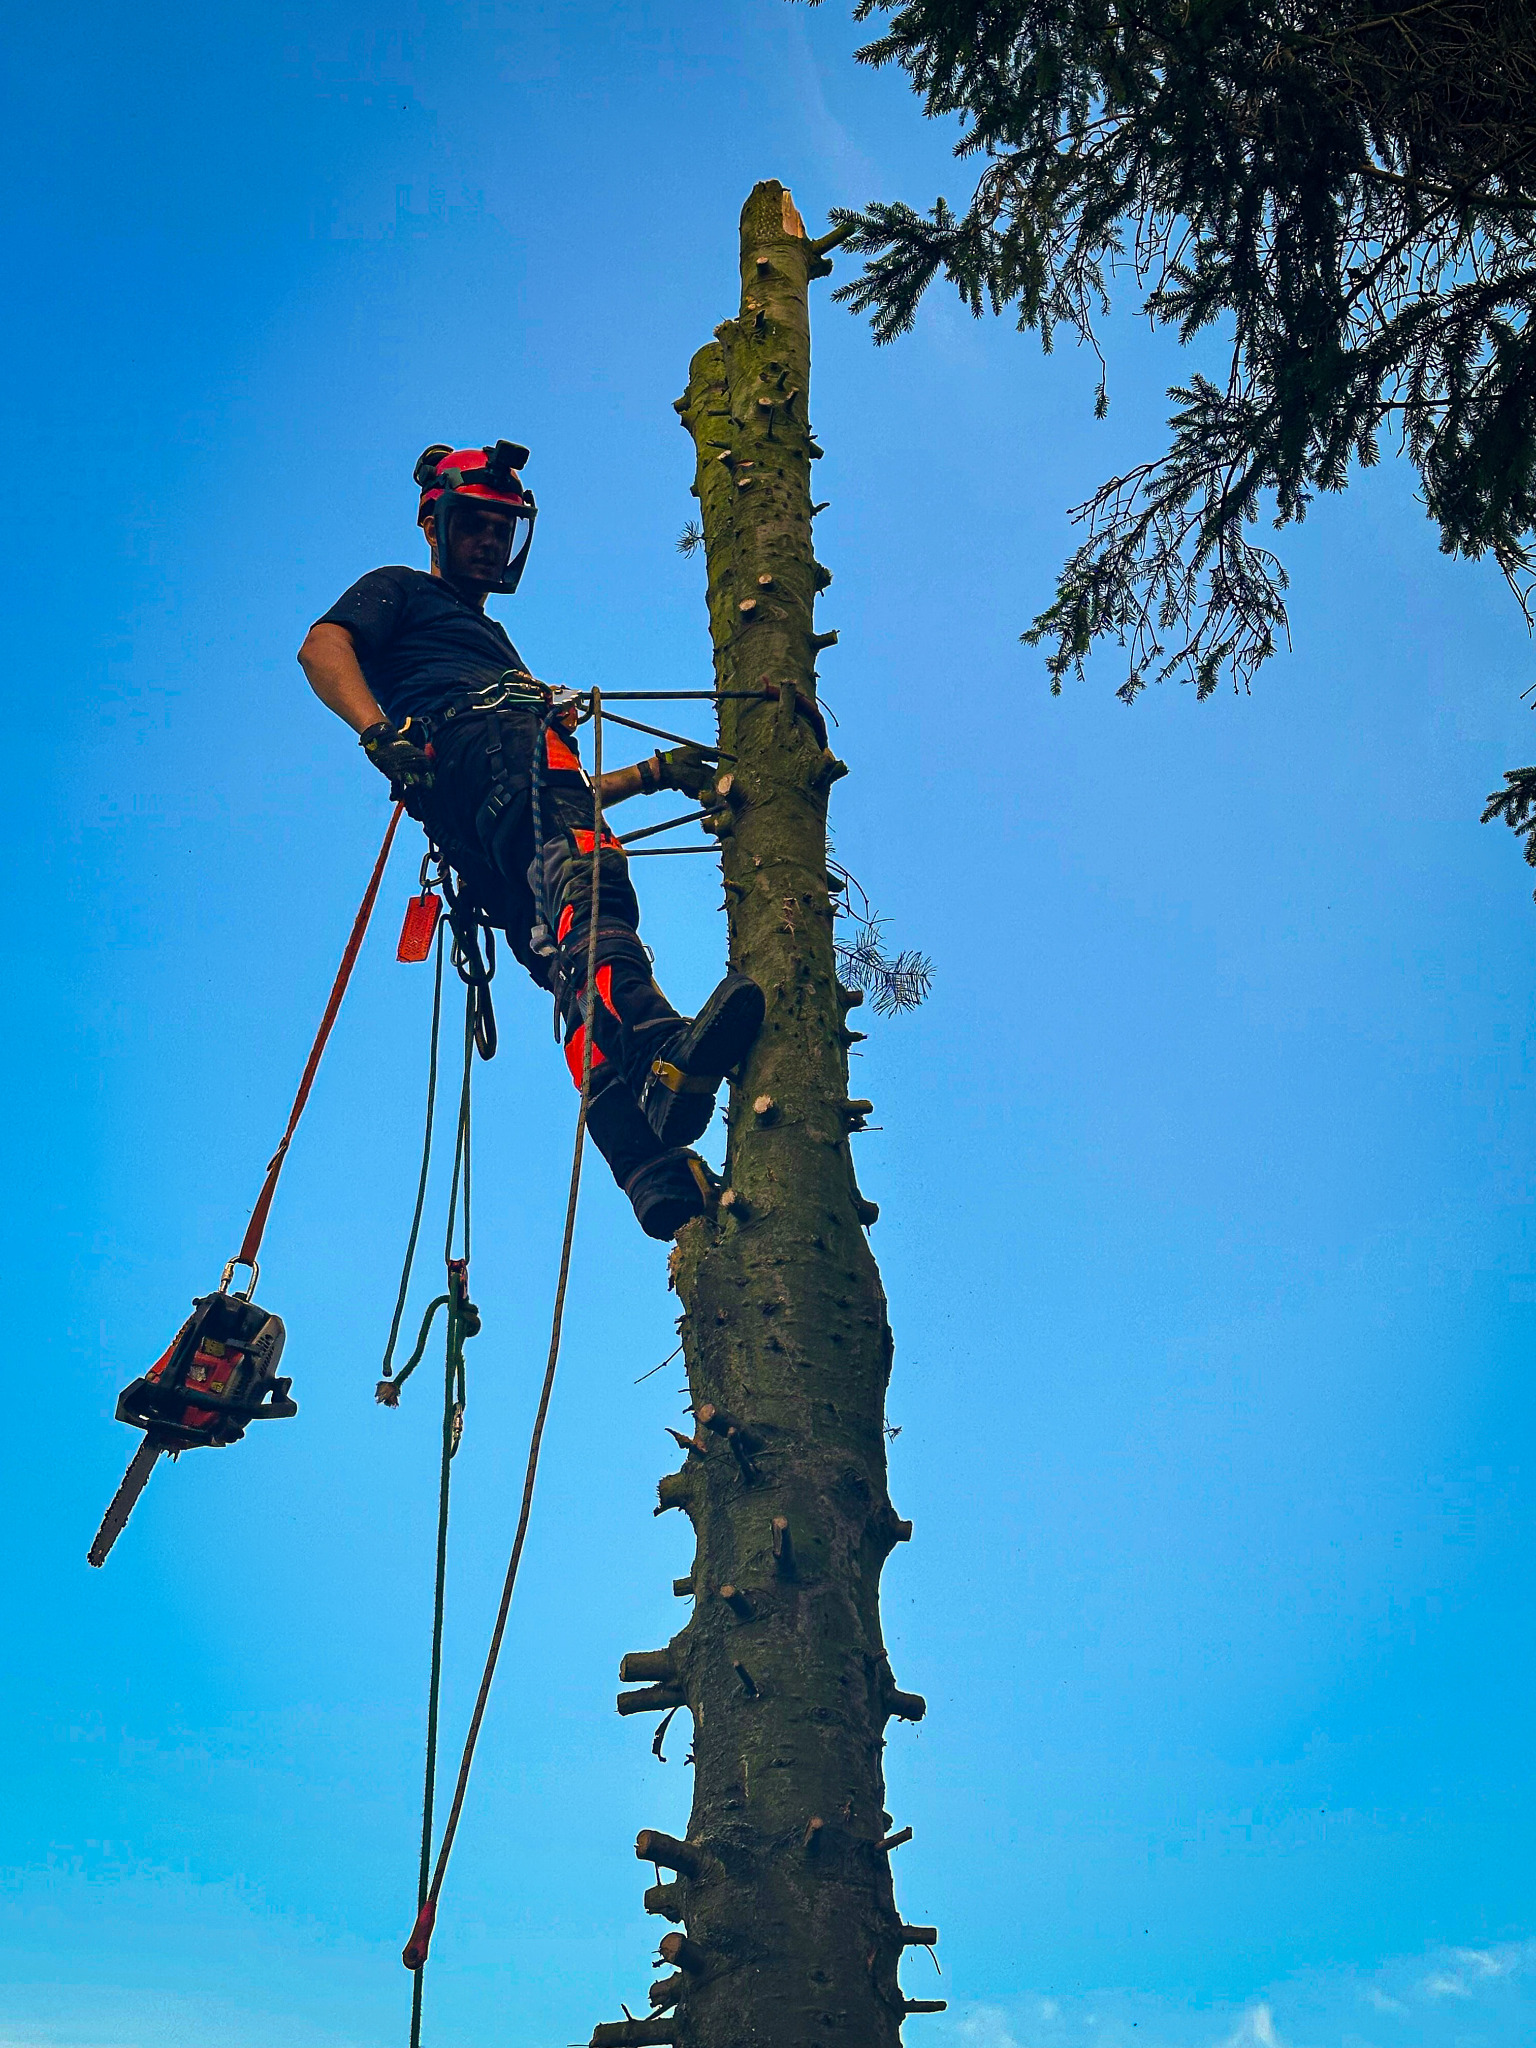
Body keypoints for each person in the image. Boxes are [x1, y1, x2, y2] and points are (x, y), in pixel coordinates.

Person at [298, 440, 763, 1240]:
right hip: (492, 756)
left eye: (500, 529)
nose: (488, 542)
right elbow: (322, 646)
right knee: (592, 893)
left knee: (566, 962)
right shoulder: (401, 590)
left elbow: (554, 800)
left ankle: (648, 1167)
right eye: (474, 524)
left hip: (488, 812)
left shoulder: (493, 642)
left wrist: (651, 773)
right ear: (434, 523)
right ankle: (663, 1048)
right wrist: (377, 731)